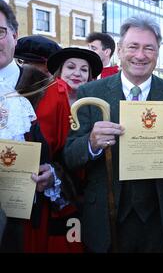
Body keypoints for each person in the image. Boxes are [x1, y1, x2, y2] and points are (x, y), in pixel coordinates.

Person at [63, 14, 163, 253]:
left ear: (158, 53)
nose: (140, 55)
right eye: (133, 47)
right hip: (105, 218)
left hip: (158, 220)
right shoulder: (90, 92)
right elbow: (69, 156)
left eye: (149, 48)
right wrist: (91, 143)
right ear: (119, 50)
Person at [27, 47, 102, 253]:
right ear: (59, 71)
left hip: (86, 191)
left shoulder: (96, 105)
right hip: (52, 192)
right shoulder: (47, 100)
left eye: (84, 69)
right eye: (71, 67)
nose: (77, 73)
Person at [0, 0, 57, 252]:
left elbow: (67, 156)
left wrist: (53, 175)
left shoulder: (49, 90)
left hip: (28, 227)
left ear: (14, 34)